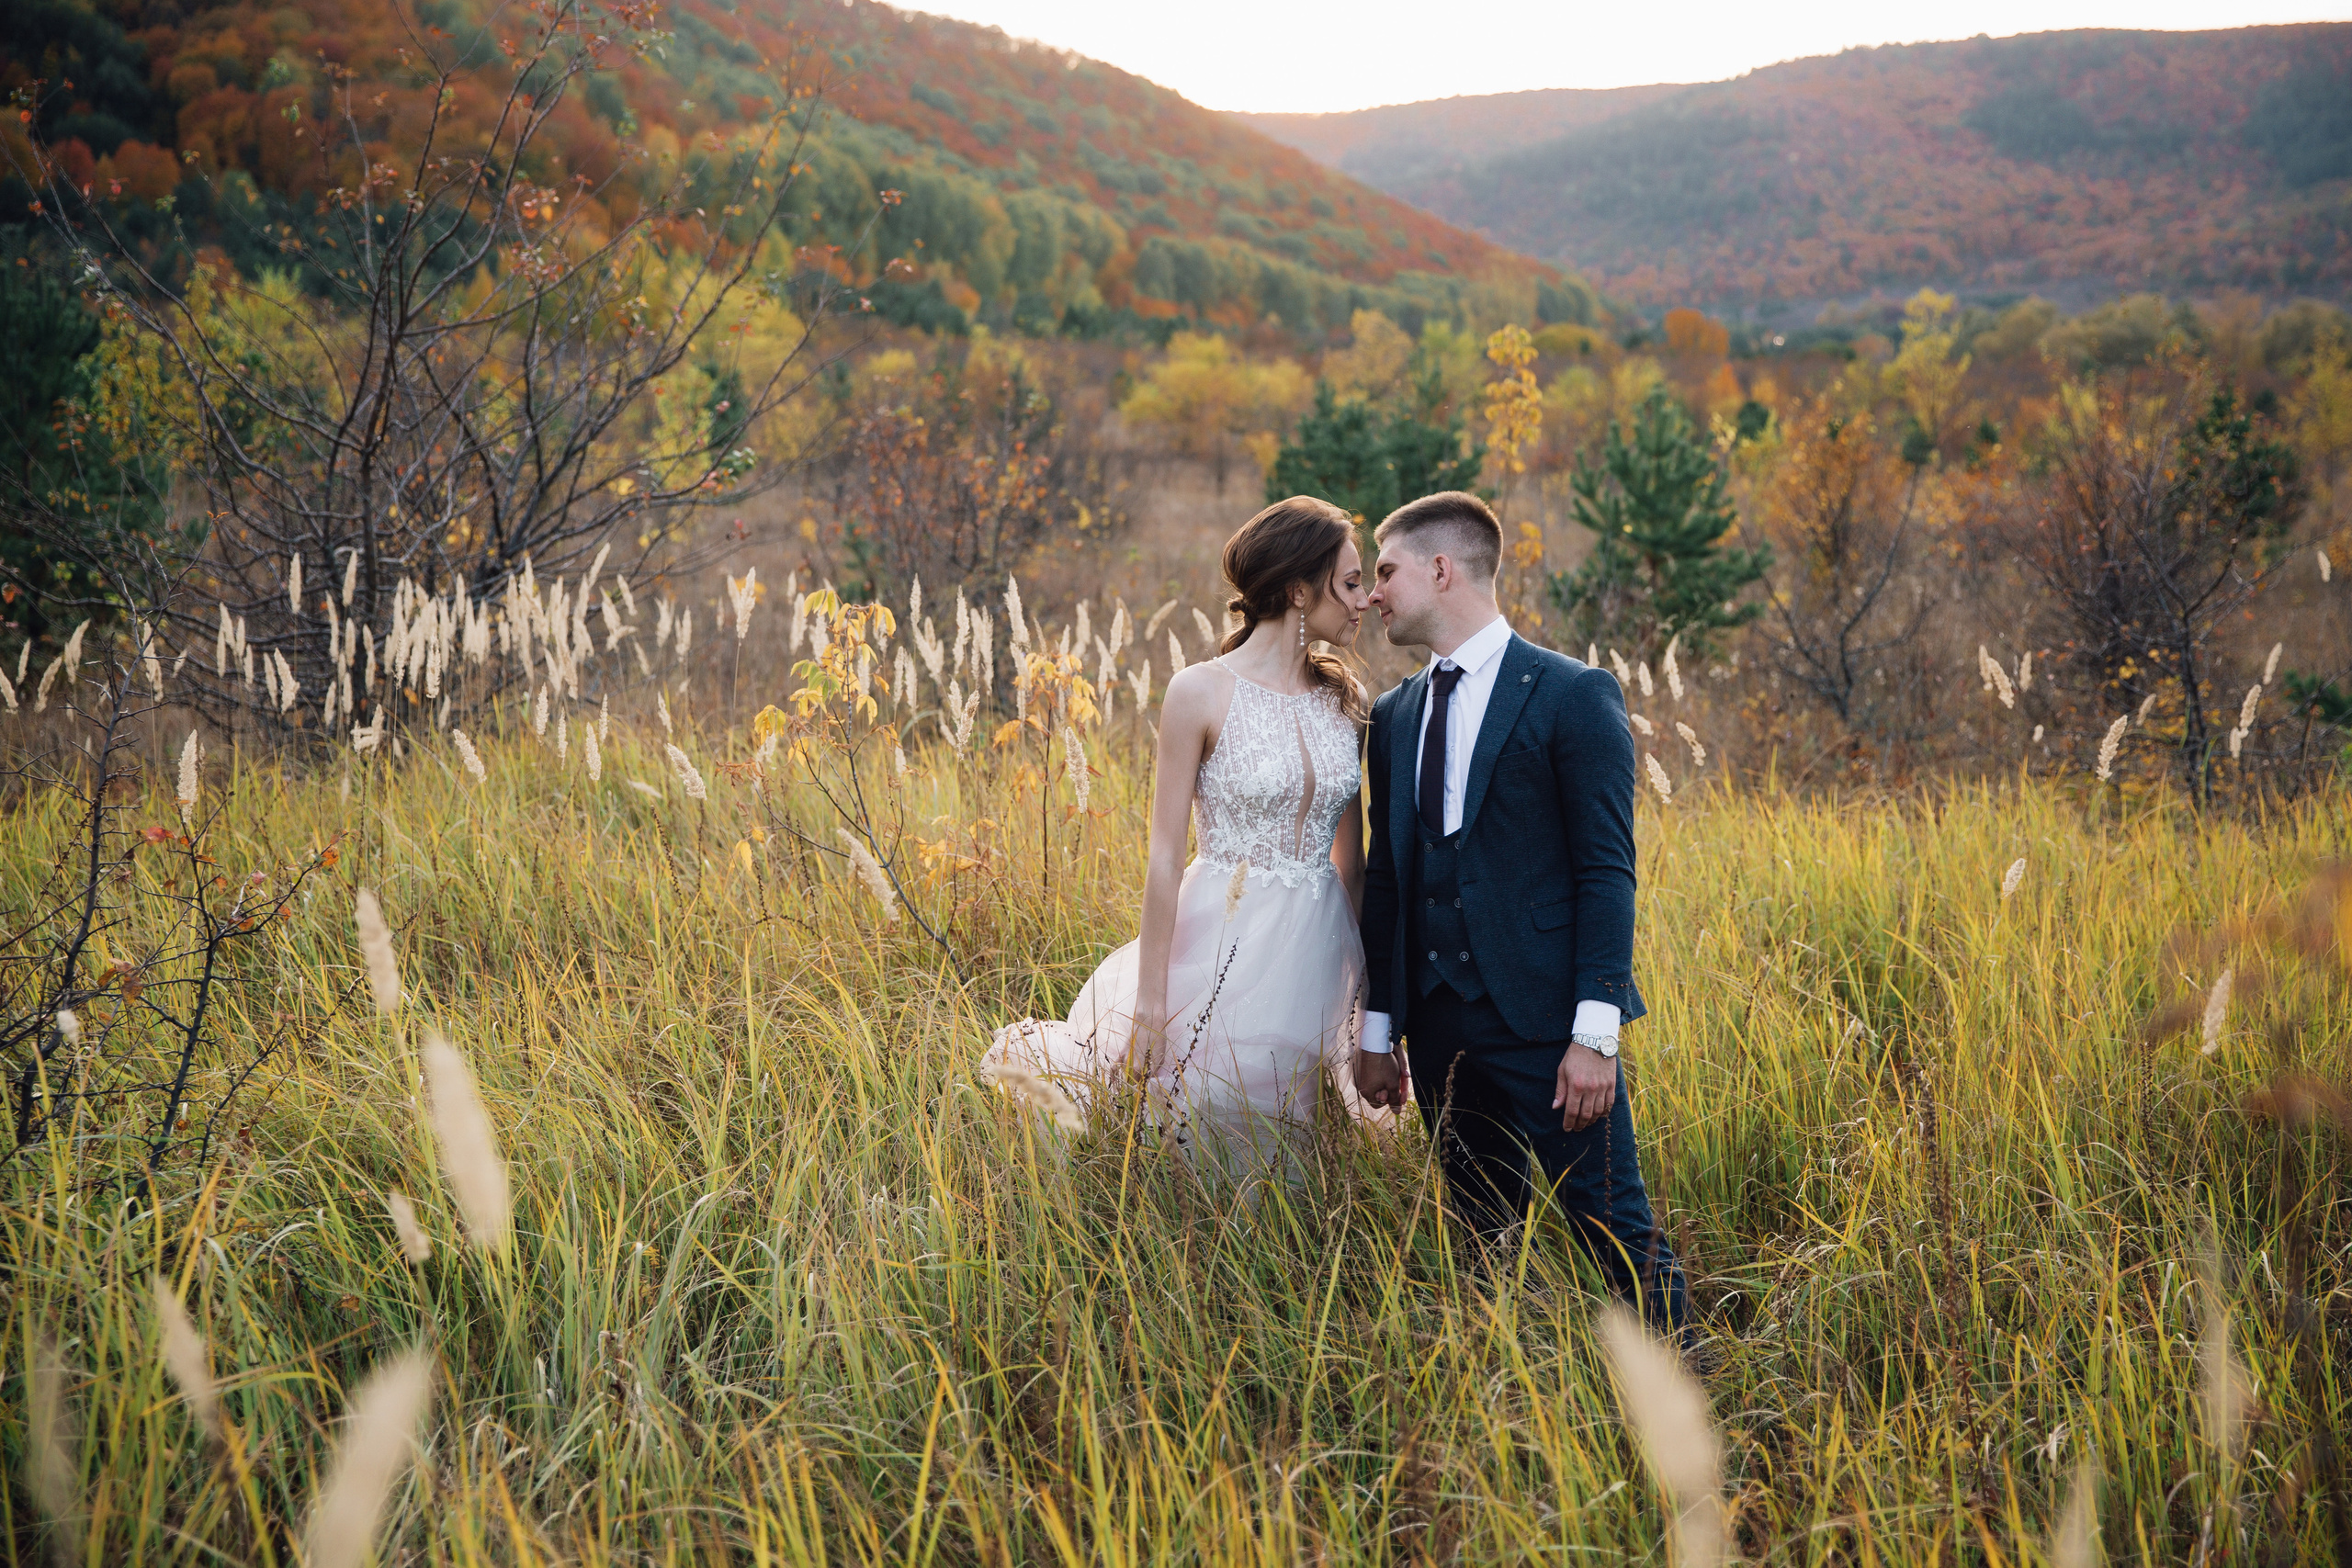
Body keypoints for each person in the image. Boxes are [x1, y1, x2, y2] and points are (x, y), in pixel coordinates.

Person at [1353, 491, 1687, 1332]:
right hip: (1434, 1031)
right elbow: (1390, 880)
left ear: (1442, 568)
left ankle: (1704, 1407)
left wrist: (1595, 1035)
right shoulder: (1391, 719)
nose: (1373, 592)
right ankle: (1509, 1413)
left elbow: (1607, 872)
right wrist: (1378, 1033)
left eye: (1385, 569)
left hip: (1550, 1029)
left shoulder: (1574, 694)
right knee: (1481, 1243)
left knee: (1618, 1232)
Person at [986, 496, 1377, 1177]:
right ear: (1296, 589)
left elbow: (1354, 864)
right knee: (1214, 1114)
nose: (1363, 600)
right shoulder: (1199, 692)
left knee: (1304, 1140)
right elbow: (1165, 857)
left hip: (1322, 949)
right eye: (1349, 583)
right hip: (1224, 935)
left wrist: (1371, 1003)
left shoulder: (1345, 700)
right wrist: (1151, 1000)